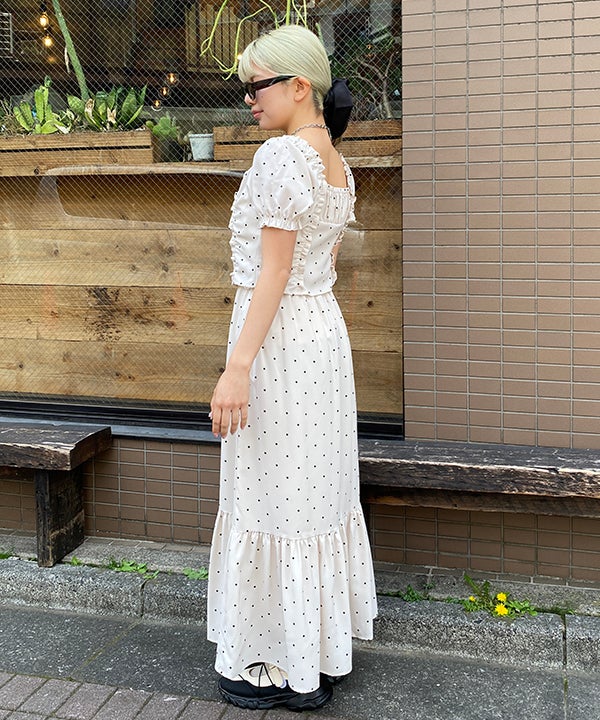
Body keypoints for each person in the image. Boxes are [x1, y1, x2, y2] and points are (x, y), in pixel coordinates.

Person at [207, 23, 378, 712]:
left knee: (271, 494)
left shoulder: (282, 157)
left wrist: (237, 367)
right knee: (311, 495)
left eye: (257, 85)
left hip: (277, 347)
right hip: (320, 342)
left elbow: (274, 272)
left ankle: (271, 657)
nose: (248, 98)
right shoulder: (334, 162)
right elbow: (317, 267)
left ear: (299, 86)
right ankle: (316, 654)